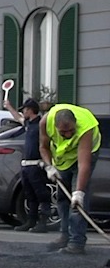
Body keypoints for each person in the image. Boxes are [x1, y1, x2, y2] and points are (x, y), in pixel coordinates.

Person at [39, 103, 100, 255]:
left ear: (76, 124)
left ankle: (77, 242)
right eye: (63, 132)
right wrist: (49, 166)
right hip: (63, 158)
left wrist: (79, 192)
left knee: (77, 201)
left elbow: (83, 164)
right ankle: (64, 235)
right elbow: (44, 147)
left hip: (86, 153)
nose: (67, 135)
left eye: (71, 131)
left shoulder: (86, 127)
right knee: (62, 197)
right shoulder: (45, 123)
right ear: (56, 126)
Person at [5, 97, 49, 232]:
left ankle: (43, 222)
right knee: (29, 194)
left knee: (41, 194)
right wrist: (9, 107)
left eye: (24, 110)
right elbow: (18, 118)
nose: (23, 112)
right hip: (26, 166)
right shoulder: (29, 124)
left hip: (36, 165)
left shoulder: (41, 125)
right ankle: (31, 221)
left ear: (30, 110)